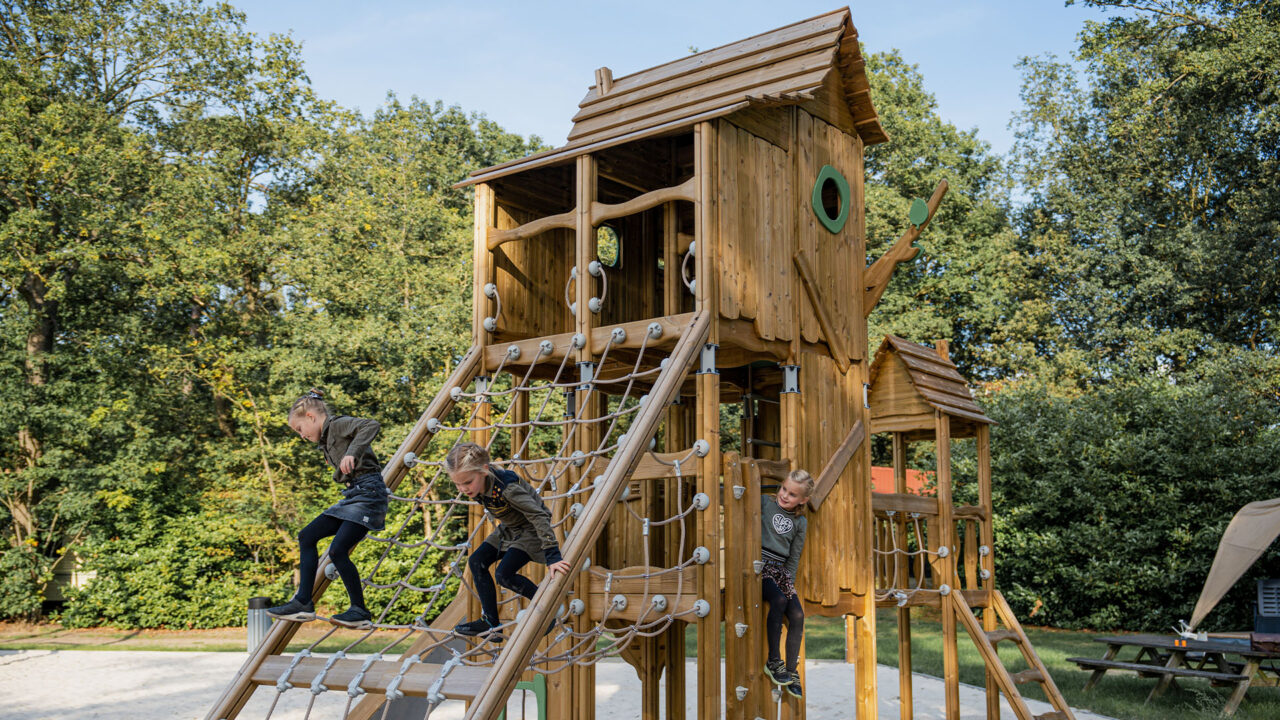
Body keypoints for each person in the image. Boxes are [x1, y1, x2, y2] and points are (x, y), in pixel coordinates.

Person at [266, 388, 390, 630]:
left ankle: (360, 611)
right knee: (307, 536)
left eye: (300, 429)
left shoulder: (338, 424)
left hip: (369, 494)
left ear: (311, 416)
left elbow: (371, 425)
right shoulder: (325, 441)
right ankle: (303, 602)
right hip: (354, 494)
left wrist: (352, 453)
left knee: (338, 550)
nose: (301, 435)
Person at [446, 442, 569, 640]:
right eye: (457, 484)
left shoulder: (507, 489)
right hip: (509, 529)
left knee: (504, 574)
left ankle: (546, 610)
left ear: (485, 471)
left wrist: (553, 556)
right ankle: (491, 623)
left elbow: (539, 515)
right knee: (476, 561)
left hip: (530, 530)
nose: (462, 489)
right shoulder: (478, 482)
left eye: (467, 482)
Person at [761, 468, 813, 698]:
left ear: (803, 500)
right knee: (779, 599)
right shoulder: (765, 503)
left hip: (780, 571)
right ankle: (773, 661)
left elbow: (794, 557)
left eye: (792, 494)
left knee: (798, 615)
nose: (784, 495)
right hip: (760, 567)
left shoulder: (800, 523)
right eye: (784, 489)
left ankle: (791, 671)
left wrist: (789, 583)